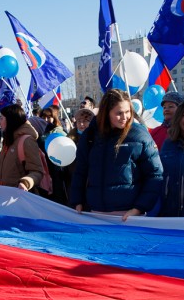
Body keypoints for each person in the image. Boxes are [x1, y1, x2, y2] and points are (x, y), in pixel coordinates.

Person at [69, 89, 163, 221]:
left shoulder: (140, 135)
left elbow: (155, 174)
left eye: (127, 112)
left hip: (129, 216)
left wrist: (139, 208)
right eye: (119, 113)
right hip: (96, 213)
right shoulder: (90, 135)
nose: (125, 117)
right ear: (106, 113)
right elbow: (80, 171)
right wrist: (77, 201)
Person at [0, 104, 44, 192]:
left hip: (19, 199)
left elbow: (37, 172)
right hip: (4, 196)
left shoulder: (27, 141)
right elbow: (7, 173)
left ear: (11, 120)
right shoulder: (8, 141)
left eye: (2, 118)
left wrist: (26, 183)